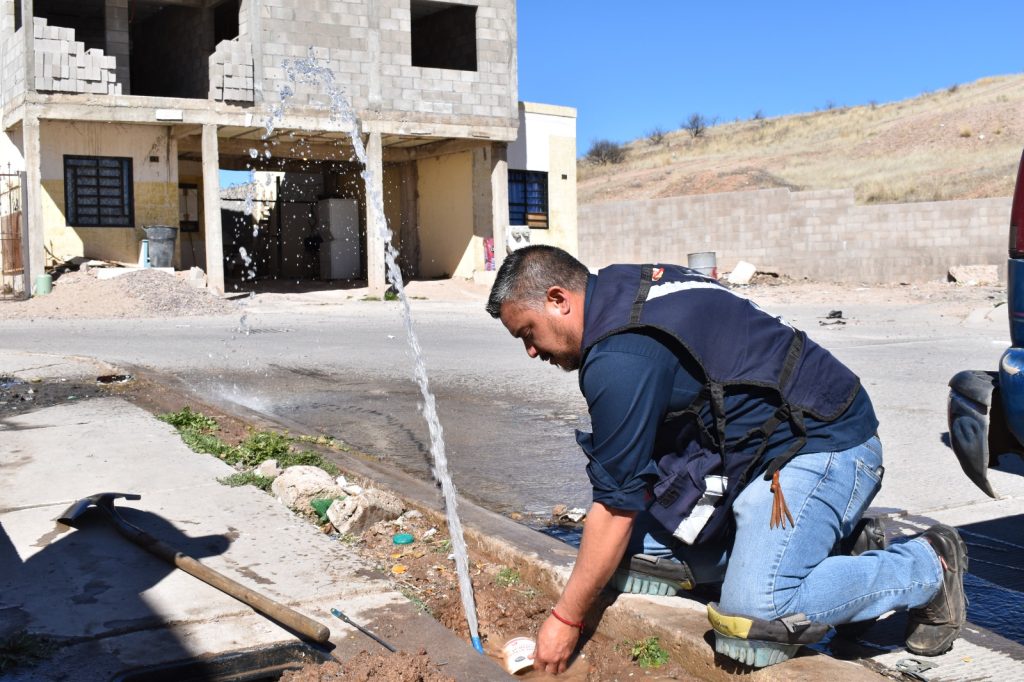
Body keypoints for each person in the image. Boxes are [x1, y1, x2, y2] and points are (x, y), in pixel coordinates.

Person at [486, 245, 967, 674]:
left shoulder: (620, 356)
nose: (531, 351)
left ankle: (927, 567)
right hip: (751, 455)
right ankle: (833, 548)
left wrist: (566, 618)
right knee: (627, 562)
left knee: (754, 616)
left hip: (823, 445)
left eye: (527, 333)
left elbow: (615, 507)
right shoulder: (619, 289)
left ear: (557, 298)